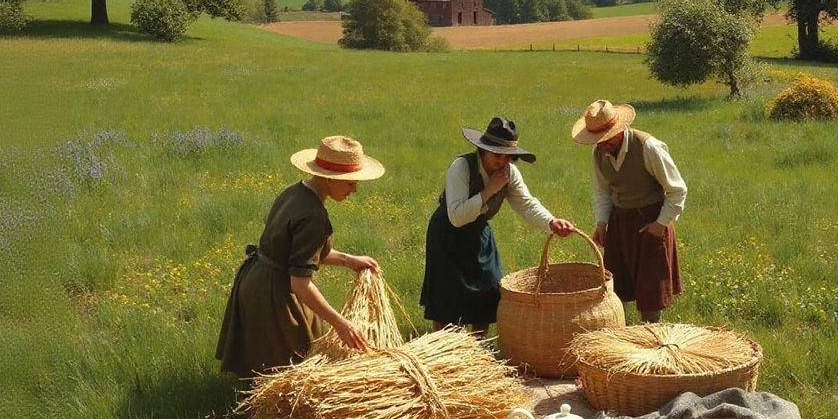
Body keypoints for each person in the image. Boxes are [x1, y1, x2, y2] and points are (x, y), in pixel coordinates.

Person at [215, 135, 384, 378]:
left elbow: (297, 252)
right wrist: (342, 324)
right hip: (275, 295)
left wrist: (348, 260)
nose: (354, 189)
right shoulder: (313, 215)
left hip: (255, 281)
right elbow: (300, 284)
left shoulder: (295, 192)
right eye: (349, 183)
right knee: (289, 369)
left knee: (268, 364)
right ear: (328, 179)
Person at [420, 117, 576, 336]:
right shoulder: (461, 167)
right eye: (497, 155)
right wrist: (489, 190)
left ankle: (478, 349)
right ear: (483, 150)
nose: (502, 161)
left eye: (508, 157)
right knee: (448, 301)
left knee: (486, 292)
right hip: (448, 236)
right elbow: (456, 216)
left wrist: (551, 222)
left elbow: (526, 204)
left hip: (479, 234)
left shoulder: (510, 173)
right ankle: (445, 350)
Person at [570, 99, 687, 323]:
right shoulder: (598, 152)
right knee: (615, 285)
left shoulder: (648, 147)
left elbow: (677, 190)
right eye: (597, 140)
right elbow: (602, 191)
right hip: (620, 222)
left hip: (651, 222)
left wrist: (660, 224)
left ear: (619, 129)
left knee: (651, 289)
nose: (602, 144)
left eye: (606, 138)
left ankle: (652, 338)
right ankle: (618, 338)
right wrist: (602, 223)